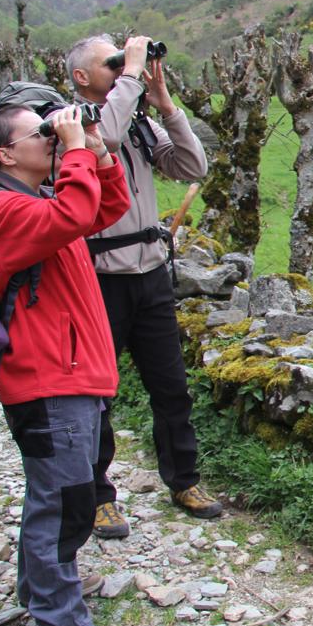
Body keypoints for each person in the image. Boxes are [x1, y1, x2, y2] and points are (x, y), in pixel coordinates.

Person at [0, 104, 132, 626]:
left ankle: (42, 589)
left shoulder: (37, 203)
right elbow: (74, 213)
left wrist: (97, 150)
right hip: (47, 382)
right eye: (37, 132)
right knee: (62, 505)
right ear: (5, 154)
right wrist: (77, 153)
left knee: (65, 496)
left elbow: (106, 206)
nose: (50, 136)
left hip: (71, 377)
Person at [66, 34, 221, 538]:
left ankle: (184, 479)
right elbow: (102, 139)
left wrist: (167, 105)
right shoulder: (73, 123)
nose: (121, 69)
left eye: (123, 60)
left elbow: (193, 167)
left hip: (150, 275)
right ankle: (97, 496)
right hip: (99, 279)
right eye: (109, 64)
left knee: (171, 387)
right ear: (81, 78)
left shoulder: (135, 123)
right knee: (97, 395)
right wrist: (132, 74)